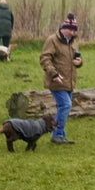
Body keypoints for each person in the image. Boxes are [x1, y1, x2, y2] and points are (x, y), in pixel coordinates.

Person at [39, 13, 83, 145]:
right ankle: (57, 134)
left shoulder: (74, 41)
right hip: (56, 81)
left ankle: (59, 134)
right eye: (70, 29)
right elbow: (44, 59)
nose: (72, 32)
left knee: (63, 107)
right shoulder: (52, 40)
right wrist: (54, 74)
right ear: (63, 28)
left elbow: (77, 59)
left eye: (74, 29)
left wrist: (79, 62)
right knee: (66, 105)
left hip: (69, 81)